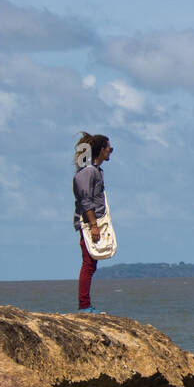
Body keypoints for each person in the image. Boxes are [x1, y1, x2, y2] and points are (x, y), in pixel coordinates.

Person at [73, 132, 113, 313]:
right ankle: (84, 306)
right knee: (88, 264)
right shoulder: (89, 171)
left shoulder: (96, 171)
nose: (110, 152)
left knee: (91, 263)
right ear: (101, 149)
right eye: (109, 149)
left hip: (94, 222)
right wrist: (93, 225)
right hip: (89, 223)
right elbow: (85, 199)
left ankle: (86, 304)